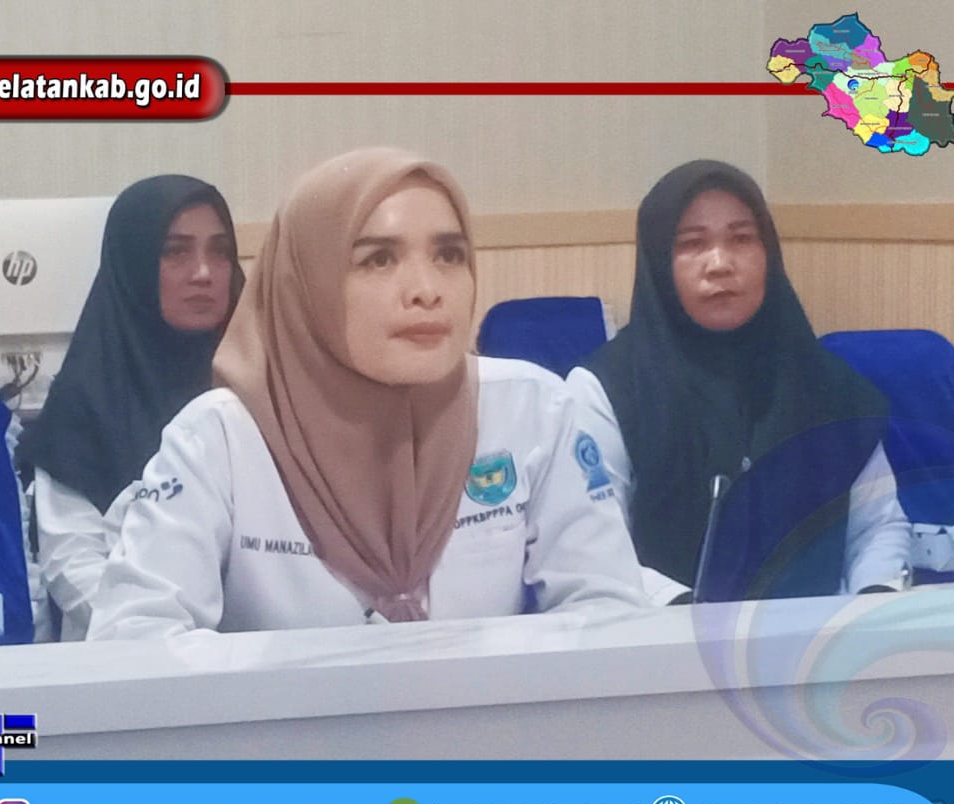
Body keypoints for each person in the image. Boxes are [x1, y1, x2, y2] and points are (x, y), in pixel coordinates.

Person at [86, 147, 648, 639]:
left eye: (449, 255)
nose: (427, 290)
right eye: (378, 259)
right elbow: (134, 638)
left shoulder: (533, 408)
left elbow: (609, 610)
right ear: (308, 284)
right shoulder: (219, 439)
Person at [568, 159, 909, 604]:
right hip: (663, 636)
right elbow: (596, 546)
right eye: (692, 244)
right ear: (658, 261)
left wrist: (873, 602)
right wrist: (690, 617)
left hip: (818, 637)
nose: (720, 264)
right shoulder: (606, 389)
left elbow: (878, 526)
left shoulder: (829, 386)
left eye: (742, 239)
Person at [21, 175, 245, 640]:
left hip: (265, 650)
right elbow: (71, 562)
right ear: (134, 265)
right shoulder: (89, 398)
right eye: (176, 251)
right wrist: (162, 638)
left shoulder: (265, 389)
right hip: (127, 652)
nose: (204, 272)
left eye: (220, 251)